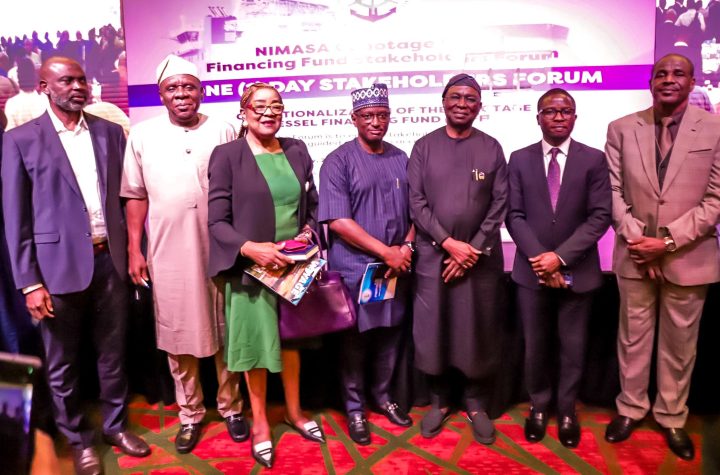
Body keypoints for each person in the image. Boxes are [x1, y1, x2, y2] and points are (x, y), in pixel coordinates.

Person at [1, 57, 150, 475]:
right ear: (44, 87)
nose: (77, 87)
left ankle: (115, 426)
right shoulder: (20, 140)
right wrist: (29, 282)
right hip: (55, 268)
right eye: (66, 80)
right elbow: (16, 218)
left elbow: (126, 196)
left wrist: (134, 251)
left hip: (110, 261)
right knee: (62, 362)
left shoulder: (108, 132)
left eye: (81, 80)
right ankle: (79, 440)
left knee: (113, 353)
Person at [121, 54, 248, 454]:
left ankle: (231, 408)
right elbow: (135, 195)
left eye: (188, 87)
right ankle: (190, 413)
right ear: (161, 95)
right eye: (172, 88)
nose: (181, 94)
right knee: (177, 333)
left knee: (226, 329)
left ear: (201, 91)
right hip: (168, 249)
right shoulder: (142, 135)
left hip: (222, 247)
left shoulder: (225, 128)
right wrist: (134, 248)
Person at [604, 53, 720, 461]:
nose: (668, 79)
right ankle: (630, 408)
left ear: (692, 82)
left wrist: (667, 243)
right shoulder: (621, 128)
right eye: (661, 74)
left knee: (680, 344)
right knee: (632, 338)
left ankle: (672, 415)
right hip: (634, 253)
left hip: (689, 256)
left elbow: (715, 199)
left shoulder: (715, 128)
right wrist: (640, 242)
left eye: (678, 74)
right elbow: (613, 192)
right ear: (650, 82)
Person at [208, 82, 324, 468]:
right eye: (259, 106)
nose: (268, 112)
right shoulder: (228, 156)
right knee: (255, 349)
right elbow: (217, 222)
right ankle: (259, 423)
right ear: (243, 111)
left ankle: (294, 411)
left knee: (291, 344)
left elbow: (312, 205)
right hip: (253, 271)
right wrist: (249, 248)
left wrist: (308, 232)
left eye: (276, 105)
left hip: (293, 269)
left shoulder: (297, 149)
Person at [506, 88, 612, 448]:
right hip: (531, 272)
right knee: (535, 346)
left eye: (565, 111)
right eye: (550, 111)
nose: (558, 117)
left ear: (575, 117)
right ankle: (538, 407)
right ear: (538, 118)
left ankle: (567, 410)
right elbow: (514, 215)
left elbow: (600, 216)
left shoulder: (594, 159)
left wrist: (561, 257)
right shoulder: (519, 159)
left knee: (573, 347)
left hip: (577, 272)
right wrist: (542, 259)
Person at [408, 73, 508, 444]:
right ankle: (439, 400)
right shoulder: (424, 147)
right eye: (455, 97)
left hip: (479, 261)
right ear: (444, 102)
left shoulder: (491, 147)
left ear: (479, 106)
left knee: (476, 329)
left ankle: (476, 403)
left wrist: (472, 250)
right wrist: (449, 243)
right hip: (434, 258)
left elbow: (500, 203)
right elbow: (416, 202)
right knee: (434, 329)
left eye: (470, 98)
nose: (462, 104)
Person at [319, 83, 414, 446]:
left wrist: (405, 247)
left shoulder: (401, 158)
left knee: (389, 335)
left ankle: (383, 397)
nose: (376, 122)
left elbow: (418, 211)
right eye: (368, 116)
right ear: (354, 119)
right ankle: (355, 408)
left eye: (382, 115)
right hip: (356, 269)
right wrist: (386, 252)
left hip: (394, 269)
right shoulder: (338, 161)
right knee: (354, 343)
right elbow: (338, 221)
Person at [3, 57, 46, 130]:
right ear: (34, 76)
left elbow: (9, 131)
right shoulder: (44, 99)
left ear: (18, 77)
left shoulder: (12, 103)